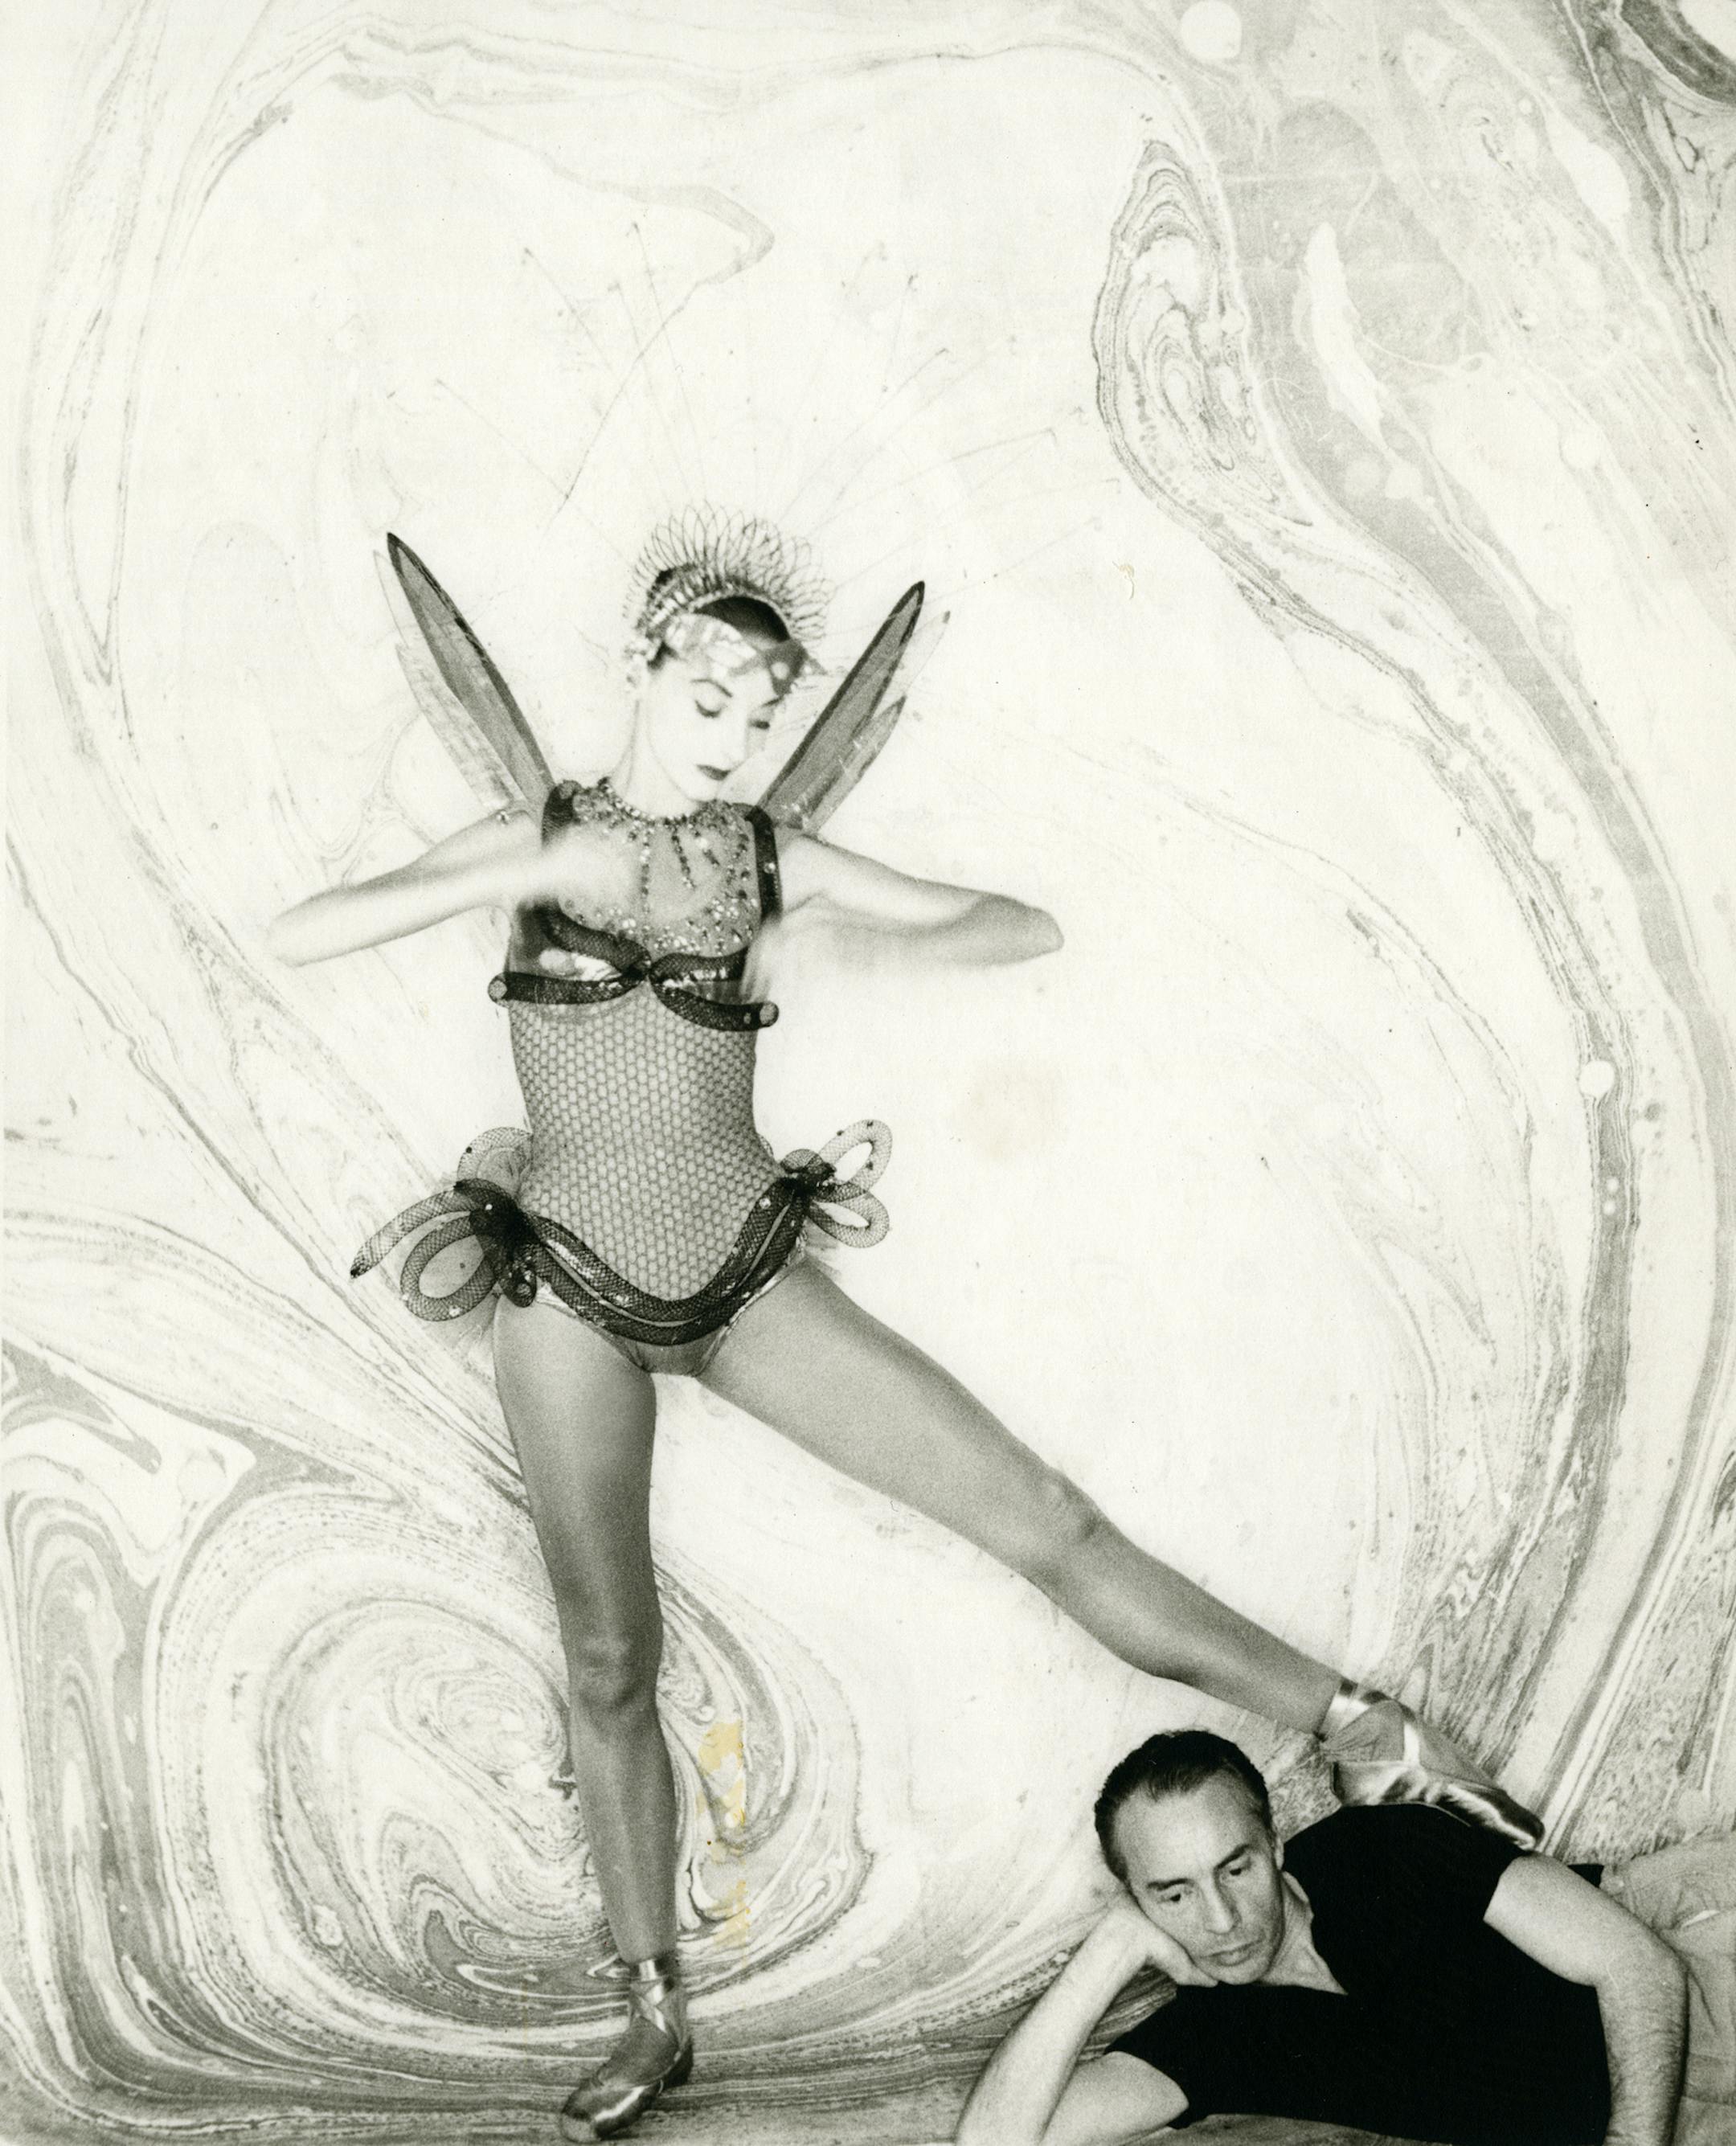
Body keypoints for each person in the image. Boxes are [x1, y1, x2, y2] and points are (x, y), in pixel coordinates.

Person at [268, 513, 1542, 2142]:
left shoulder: (767, 858)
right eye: (710, 698)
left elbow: (1017, 926)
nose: (733, 737)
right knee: (609, 1657)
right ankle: (654, 2001)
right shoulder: (543, 838)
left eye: (760, 715)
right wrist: (511, 865)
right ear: (645, 670)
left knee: (1051, 1522)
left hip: (741, 1271)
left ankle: (1366, 1725)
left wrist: (809, 922)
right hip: (567, 1292)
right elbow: (309, 928)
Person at [957, 1728, 1731, 2146]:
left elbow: (1637, 1964)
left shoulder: (1376, 1852)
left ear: (1276, 1846)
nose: (1222, 1922)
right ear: (1134, 1900)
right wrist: (1110, 1952)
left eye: (1236, 1869)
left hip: (1692, 1974)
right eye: (1174, 1893)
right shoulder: (1208, 2038)